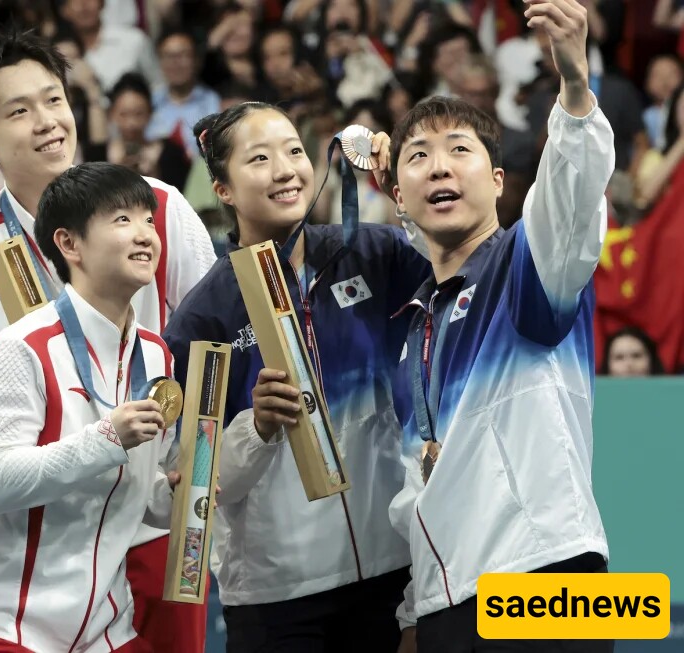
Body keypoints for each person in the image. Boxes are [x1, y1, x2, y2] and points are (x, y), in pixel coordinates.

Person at [0, 30, 216, 652]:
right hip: (39, 534)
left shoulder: (158, 210)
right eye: (19, 111)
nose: (49, 122)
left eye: (54, 99)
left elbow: (208, 349)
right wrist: (35, 399)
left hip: (152, 523)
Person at [385, 1, 615, 650]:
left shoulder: (528, 266)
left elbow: (569, 199)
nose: (439, 166)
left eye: (459, 150)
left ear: (496, 178)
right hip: (452, 598)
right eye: (419, 156)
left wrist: (574, 89)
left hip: (549, 578)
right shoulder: (414, 331)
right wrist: (414, 610)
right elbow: (418, 487)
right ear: (398, 196)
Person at [162, 102, 431, 651]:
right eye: (258, 159)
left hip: (392, 570)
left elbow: (460, 275)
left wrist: (405, 192)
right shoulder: (205, 317)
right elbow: (193, 483)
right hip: (276, 596)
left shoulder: (374, 254)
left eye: (294, 151)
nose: (285, 170)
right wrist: (254, 428)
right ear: (223, 188)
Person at [0, 162, 178, 652]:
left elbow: (141, 495)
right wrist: (107, 438)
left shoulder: (156, 354)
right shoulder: (19, 348)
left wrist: (176, 494)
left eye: (149, 220)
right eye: (121, 220)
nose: (145, 235)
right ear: (69, 244)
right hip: (6, 623)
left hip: (104, 626)